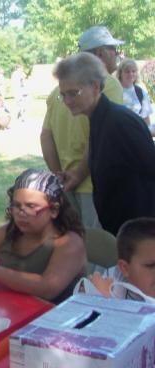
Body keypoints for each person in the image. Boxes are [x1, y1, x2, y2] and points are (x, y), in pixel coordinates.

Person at [54, 52, 155, 235]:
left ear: (95, 87)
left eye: (73, 93)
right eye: (63, 95)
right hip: (121, 229)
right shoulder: (98, 120)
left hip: (140, 232)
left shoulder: (120, 122)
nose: (67, 101)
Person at [0, 169, 86, 304]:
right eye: (16, 206)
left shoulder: (69, 242)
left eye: (31, 206)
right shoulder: (10, 231)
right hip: (13, 309)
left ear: (54, 210)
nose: (21, 213)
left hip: (55, 314)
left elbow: (48, 288)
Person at [40, 26, 124, 229]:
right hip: (95, 184)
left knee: (75, 242)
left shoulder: (59, 91)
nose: (117, 54)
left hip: (66, 183)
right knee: (99, 245)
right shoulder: (108, 85)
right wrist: (77, 175)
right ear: (101, 53)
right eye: (114, 49)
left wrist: (59, 175)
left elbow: (45, 136)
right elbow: (101, 135)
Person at [86, 217, 155, 301]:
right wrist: (97, 298)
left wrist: (107, 303)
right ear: (125, 268)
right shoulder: (112, 282)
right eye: (151, 266)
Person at [117, 59, 153, 127]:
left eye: (133, 71)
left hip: (136, 130)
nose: (131, 74)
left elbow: (146, 118)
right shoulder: (114, 90)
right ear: (120, 73)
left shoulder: (140, 92)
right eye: (127, 71)